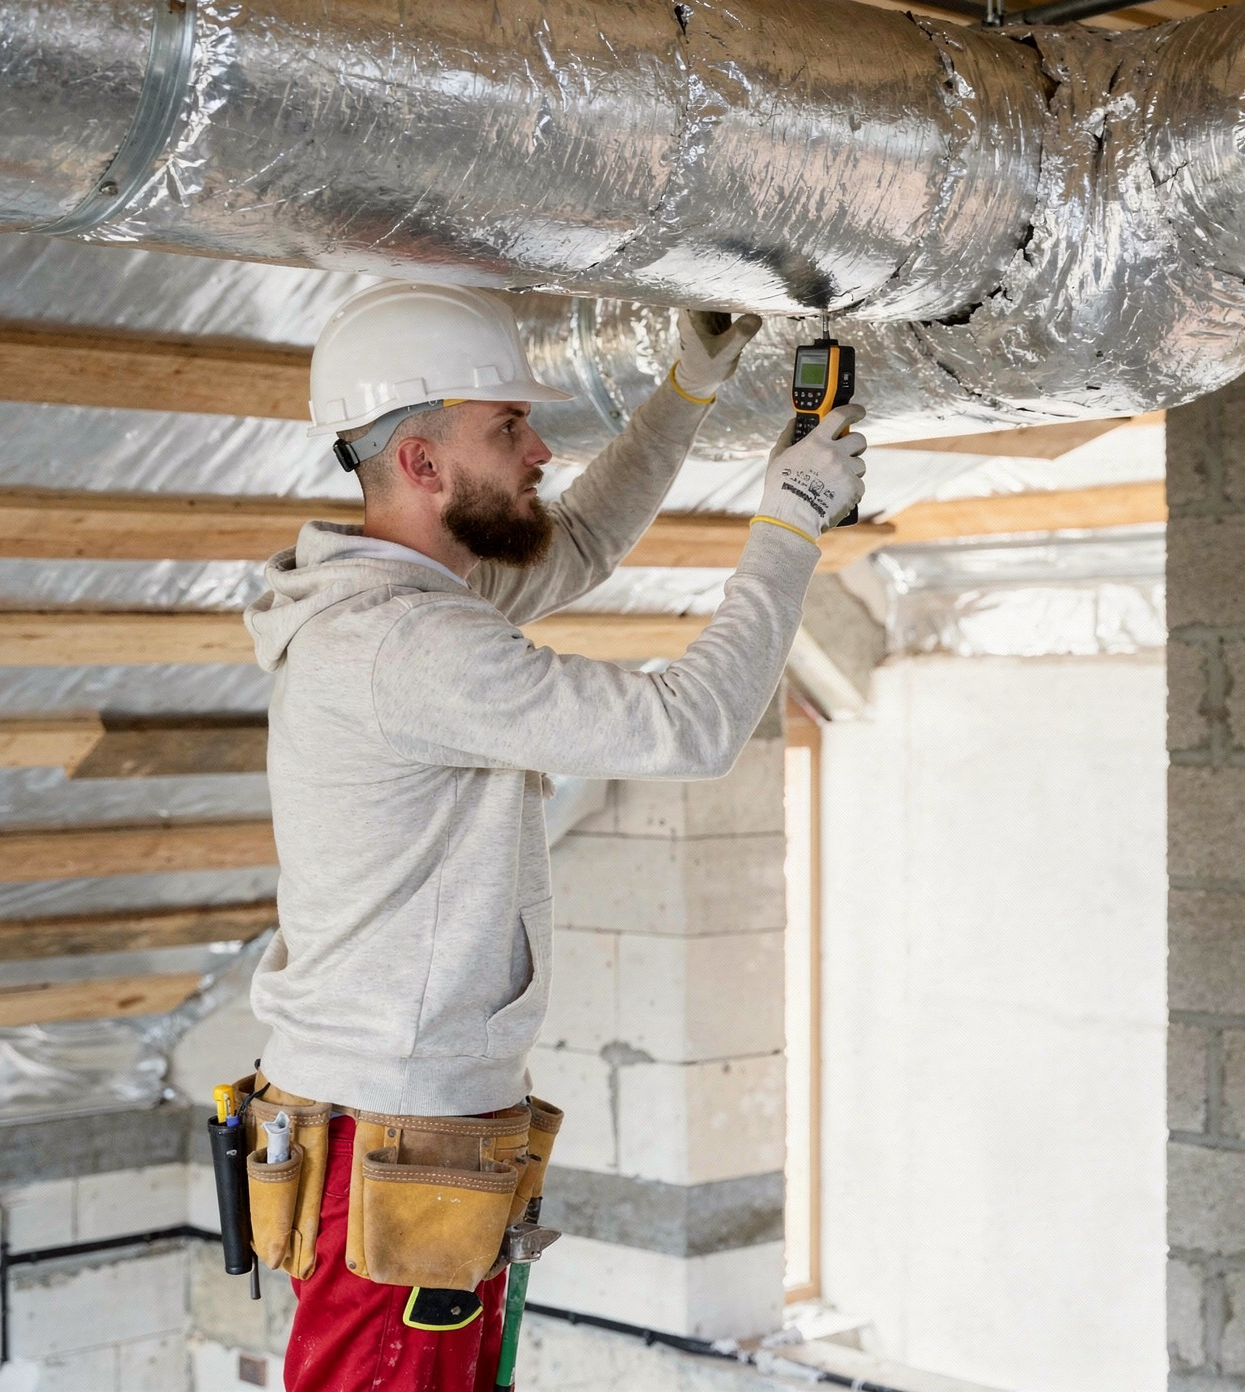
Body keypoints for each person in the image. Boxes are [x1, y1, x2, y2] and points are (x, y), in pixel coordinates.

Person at [238, 282, 867, 1392]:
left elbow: (572, 545)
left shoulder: (399, 602)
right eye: (506, 427)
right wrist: (791, 524)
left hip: (397, 1123)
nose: (538, 448)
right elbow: (692, 725)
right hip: (394, 1129)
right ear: (424, 464)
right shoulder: (407, 648)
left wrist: (688, 391)